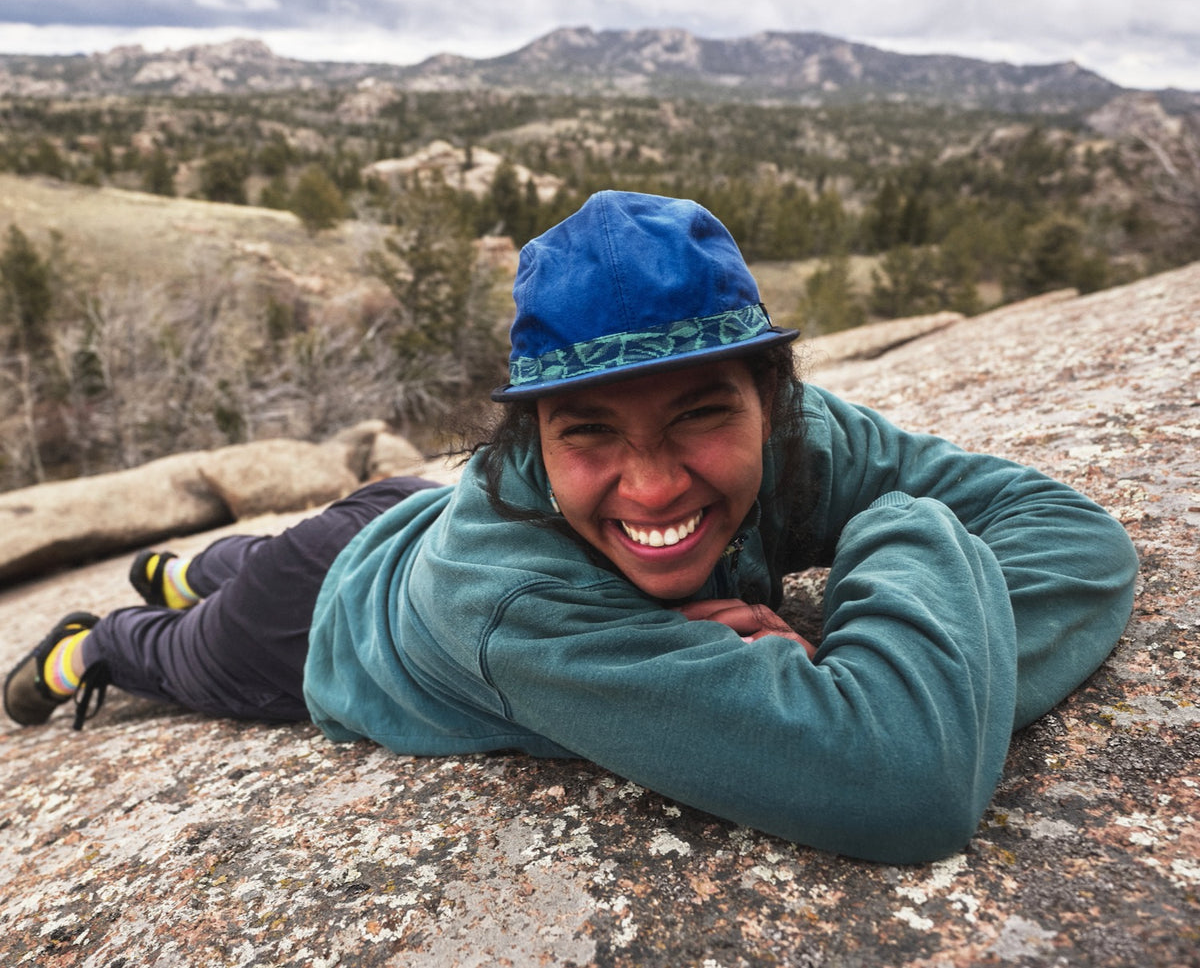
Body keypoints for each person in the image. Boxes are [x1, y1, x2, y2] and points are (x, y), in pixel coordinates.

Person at [3, 190, 1138, 864]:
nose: (651, 489)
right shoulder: (510, 600)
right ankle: (103, 629)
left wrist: (901, 620)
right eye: (588, 432)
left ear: (773, 400)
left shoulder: (807, 437)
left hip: (407, 508)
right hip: (327, 617)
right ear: (533, 434)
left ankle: (189, 563)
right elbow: (907, 780)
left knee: (254, 552)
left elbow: (1076, 541)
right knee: (192, 643)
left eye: (699, 415)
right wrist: (917, 564)